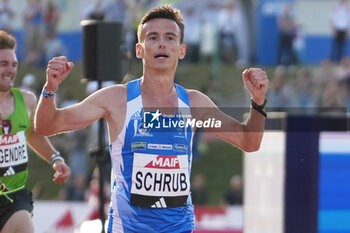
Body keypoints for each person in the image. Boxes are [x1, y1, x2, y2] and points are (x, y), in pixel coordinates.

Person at [35, 5, 268, 232]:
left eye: (170, 37)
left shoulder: (195, 105)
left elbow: (249, 142)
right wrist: (50, 89)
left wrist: (257, 102)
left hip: (180, 227)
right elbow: (47, 125)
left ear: (182, 49)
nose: (161, 43)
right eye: (153, 37)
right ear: (139, 49)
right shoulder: (117, 99)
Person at [0, 30, 71, 233]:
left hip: (14, 197)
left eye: (14, 64)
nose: (10, 70)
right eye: (3, 64)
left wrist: (56, 159)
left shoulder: (27, 100)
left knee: (24, 226)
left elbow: (32, 133)